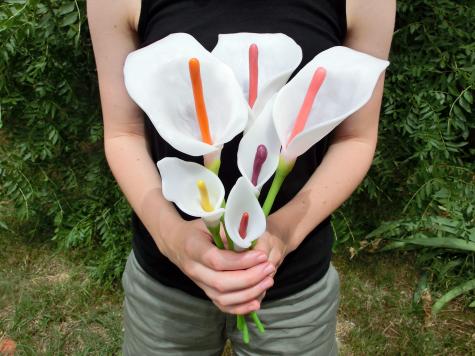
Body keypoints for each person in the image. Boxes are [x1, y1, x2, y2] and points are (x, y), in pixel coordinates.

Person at [87, 0, 395, 354]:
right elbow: (122, 133)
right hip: (166, 286)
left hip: (292, 285)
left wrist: (281, 234)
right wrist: (173, 239)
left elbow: (356, 138)